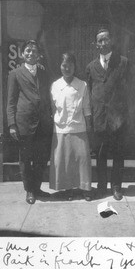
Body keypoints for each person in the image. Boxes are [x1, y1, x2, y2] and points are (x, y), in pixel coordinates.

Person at [7, 40, 52, 204]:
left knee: (41, 158)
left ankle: (38, 188)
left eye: (34, 51)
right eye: (27, 51)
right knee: (25, 159)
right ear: (22, 53)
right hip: (24, 123)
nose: (31, 54)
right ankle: (30, 190)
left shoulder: (43, 72)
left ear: (39, 55)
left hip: (43, 123)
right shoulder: (15, 73)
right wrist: (12, 124)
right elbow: (11, 101)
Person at [86, 28, 129, 200]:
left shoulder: (123, 62)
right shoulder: (90, 67)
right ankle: (102, 186)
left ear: (111, 40)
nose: (103, 43)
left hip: (117, 119)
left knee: (118, 154)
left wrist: (124, 115)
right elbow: (90, 92)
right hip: (100, 118)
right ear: (96, 45)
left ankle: (116, 187)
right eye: (100, 40)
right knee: (101, 154)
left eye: (106, 39)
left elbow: (129, 91)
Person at [50, 52, 93, 201]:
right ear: (60, 66)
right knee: (65, 161)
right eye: (64, 65)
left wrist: (89, 127)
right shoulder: (55, 86)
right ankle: (68, 189)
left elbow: (87, 108)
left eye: (70, 65)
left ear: (75, 66)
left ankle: (85, 189)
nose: (67, 68)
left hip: (79, 128)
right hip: (61, 130)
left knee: (82, 159)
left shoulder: (82, 85)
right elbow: (53, 109)